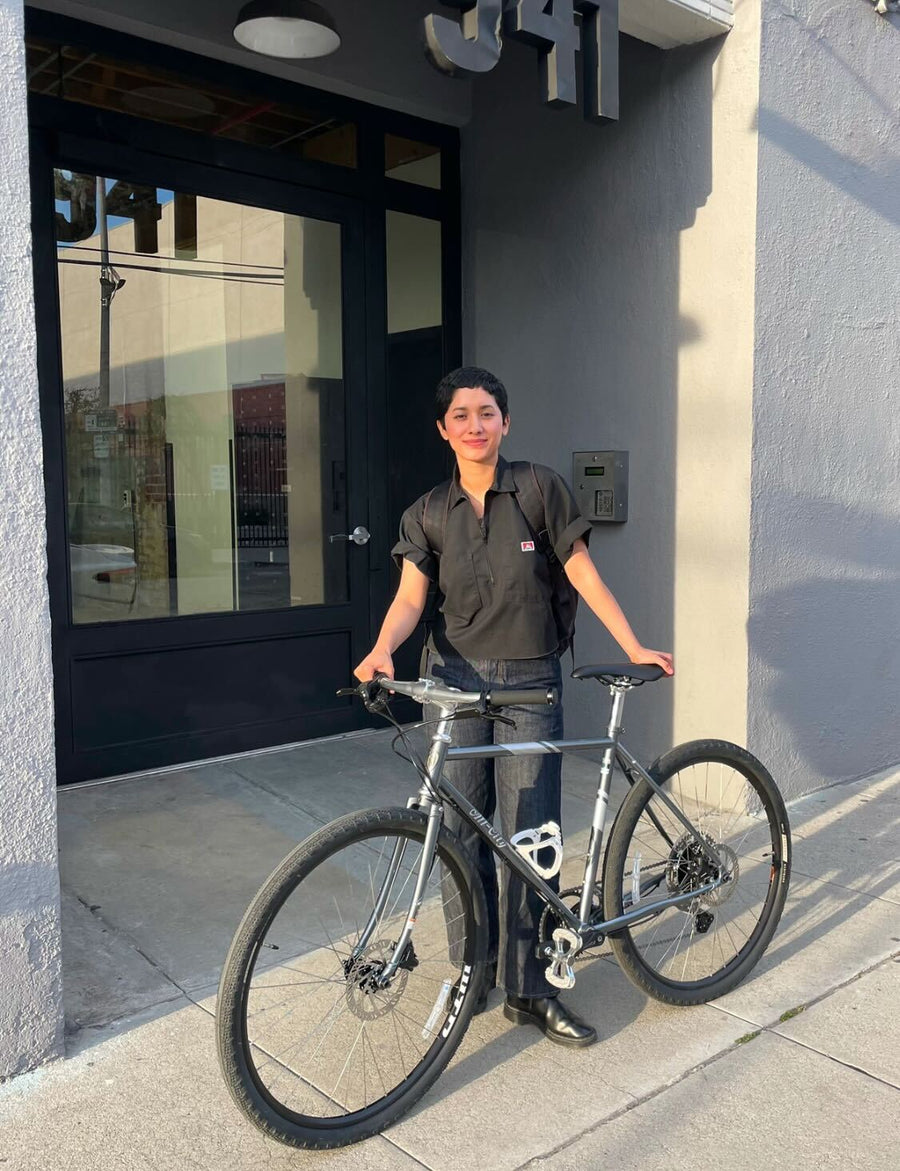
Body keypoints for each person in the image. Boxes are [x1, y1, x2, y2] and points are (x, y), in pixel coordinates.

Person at [354, 366, 673, 1047]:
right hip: (454, 682)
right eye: (462, 415)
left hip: (531, 682)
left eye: (487, 413)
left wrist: (634, 642)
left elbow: (582, 570)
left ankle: (532, 989)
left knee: (533, 835)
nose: (475, 424)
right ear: (444, 429)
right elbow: (412, 599)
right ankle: (475, 971)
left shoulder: (538, 489)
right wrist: (382, 647)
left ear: (505, 422)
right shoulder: (428, 511)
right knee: (458, 834)